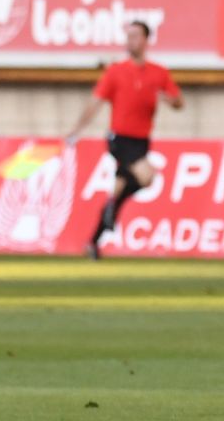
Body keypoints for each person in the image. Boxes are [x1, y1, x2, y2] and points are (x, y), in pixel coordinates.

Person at [64, 20, 184, 258]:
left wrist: (169, 100)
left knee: (119, 191)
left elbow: (179, 102)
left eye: (136, 36)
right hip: (119, 138)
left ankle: (94, 242)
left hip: (142, 140)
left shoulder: (159, 73)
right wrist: (77, 129)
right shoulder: (116, 71)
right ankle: (112, 207)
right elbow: (95, 102)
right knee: (148, 177)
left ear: (146, 40)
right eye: (128, 36)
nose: (131, 41)